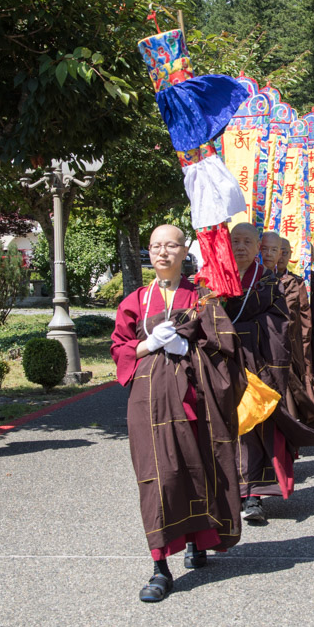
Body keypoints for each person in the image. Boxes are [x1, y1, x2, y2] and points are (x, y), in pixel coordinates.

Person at [111, 225, 246, 603]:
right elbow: (119, 347)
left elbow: (226, 347)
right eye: (156, 246)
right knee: (157, 478)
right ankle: (159, 566)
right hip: (149, 401)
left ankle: (198, 540)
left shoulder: (202, 297)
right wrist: (147, 345)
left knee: (198, 468)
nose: (162, 252)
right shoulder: (136, 300)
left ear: (184, 251)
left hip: (194, 398)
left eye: (171, 245)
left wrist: (189, 347)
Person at [226, 224, 314, 524]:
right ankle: (227, 494)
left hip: (256, 365)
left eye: (247, 242)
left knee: (255, 428)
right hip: (220, 366)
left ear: (257, 248)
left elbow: (279, 327)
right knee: (224, 429)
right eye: (235, 241)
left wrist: (238, 331)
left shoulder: (268, 282)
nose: (240, 247)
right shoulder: (216, 280)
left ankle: (253, 495)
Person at [263, 233, 314, 429]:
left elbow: (303, 316)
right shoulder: (261, 280)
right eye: (275, 251)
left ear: (290, 255)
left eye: (284, 252)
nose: (279, 257)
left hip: (289, 339)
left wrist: (303, 343)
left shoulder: (294, 282)